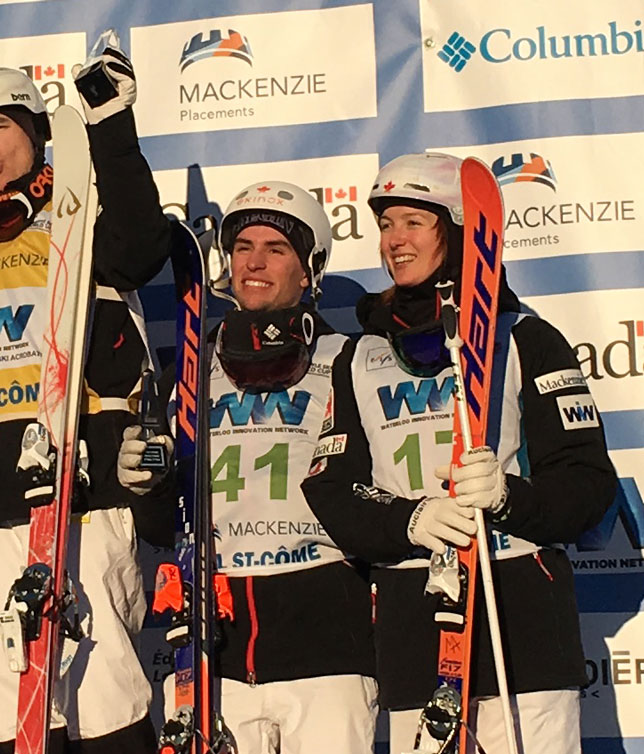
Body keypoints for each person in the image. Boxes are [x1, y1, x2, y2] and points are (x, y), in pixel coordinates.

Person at [300, 152, 616, 754]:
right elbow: (331, 487)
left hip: (519, 606)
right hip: (413, 612)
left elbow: (586, 483)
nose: (394, 240)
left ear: (457, 227)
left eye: (413, 223)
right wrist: (407, 518)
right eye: (386, 224)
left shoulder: (526, 338)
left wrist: (508, 497)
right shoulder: (360, 356)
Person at [0, 34, 170, 754]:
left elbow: (142, 247)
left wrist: (110, 128)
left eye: (0, 127)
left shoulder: (82, 214)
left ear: (37, 132)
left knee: (102, 699)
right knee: (18, 711)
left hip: (86, 491)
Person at [117, 181, 377, 754]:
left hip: (327, 649)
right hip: (217, 649)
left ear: (310, 269)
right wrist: (144, 485)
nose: (254, 262)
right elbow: (165, 526)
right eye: (242, 247)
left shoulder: (351, 360)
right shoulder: (190, 365)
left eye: (276, 248)